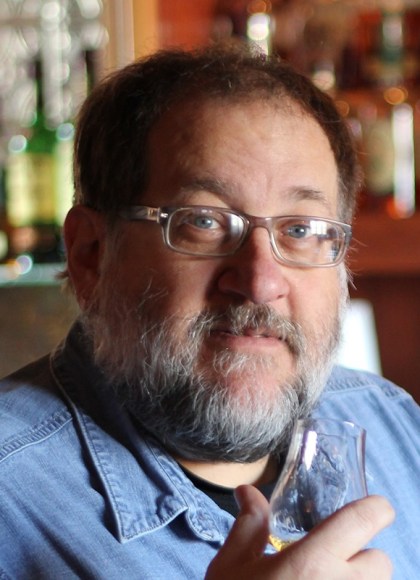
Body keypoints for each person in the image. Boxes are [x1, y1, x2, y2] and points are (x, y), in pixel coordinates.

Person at [0, 43, 418, 580]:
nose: (261, 282)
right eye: (203, 222)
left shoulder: (396, 427)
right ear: (91, 254)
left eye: (301, 229)